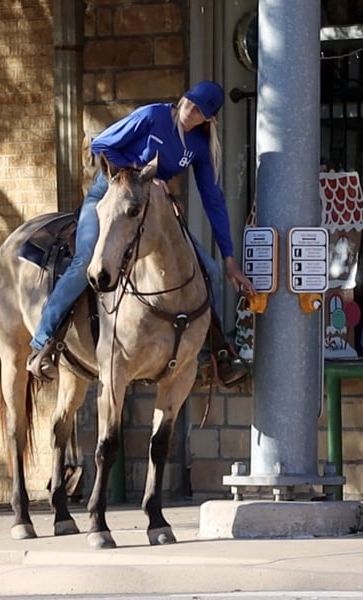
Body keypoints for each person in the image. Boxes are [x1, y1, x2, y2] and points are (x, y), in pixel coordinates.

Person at [27, 80, 255, 384]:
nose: (190, 111)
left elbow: (212, 200)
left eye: (199, 110)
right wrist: (141, 172)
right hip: (109, 197)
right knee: (85, 260)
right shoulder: (153, 115)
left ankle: (213, 351)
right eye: (189, 102)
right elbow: (101, 144)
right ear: (183, 98)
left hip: (152, 209)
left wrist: (229, 258)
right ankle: (43, 342)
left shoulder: (199, 146)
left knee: (210, 270)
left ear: (208, 119)